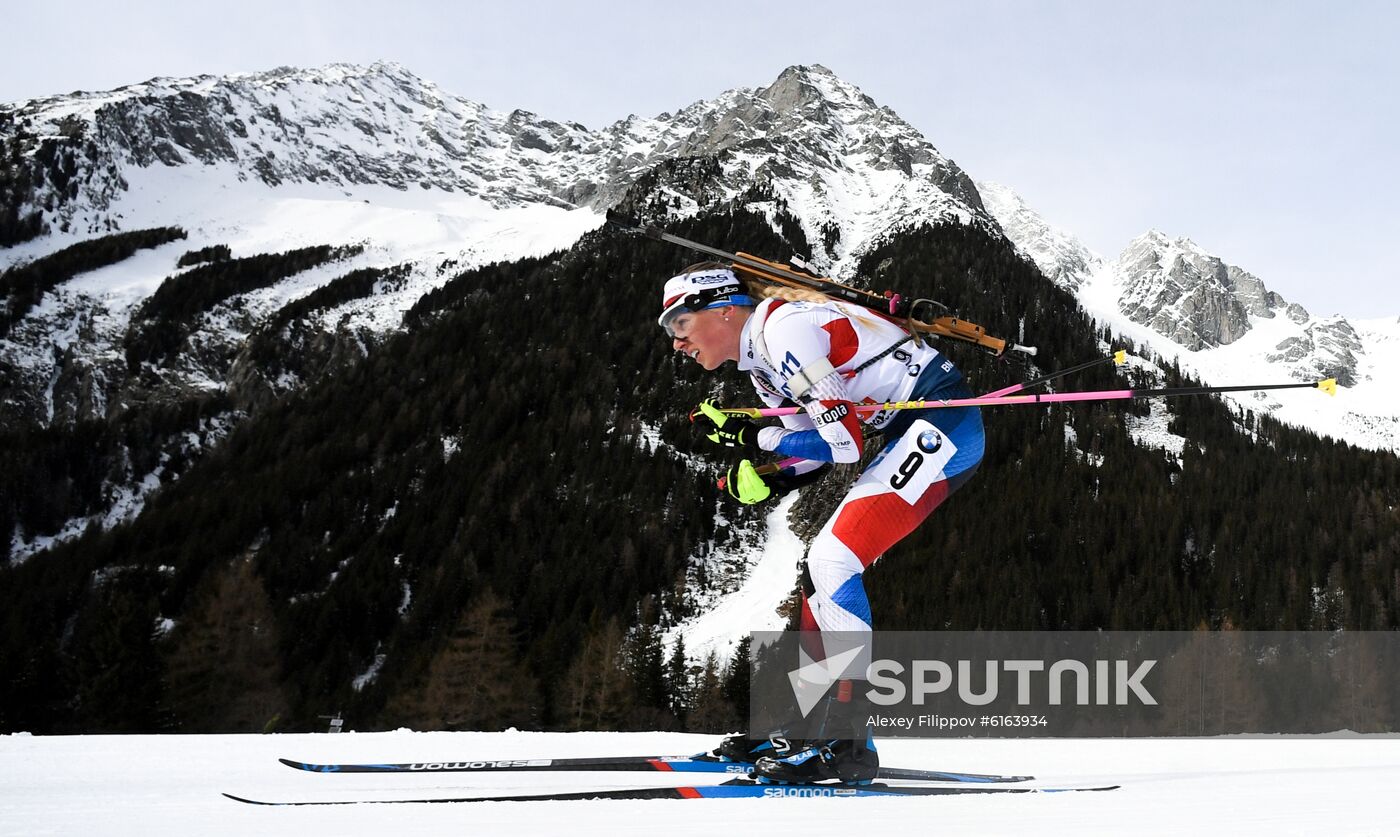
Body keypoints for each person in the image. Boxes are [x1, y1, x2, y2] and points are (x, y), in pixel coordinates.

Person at [658, 261, 985, 784]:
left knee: (834, 559)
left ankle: (851, 740)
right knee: (818, 575)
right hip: (910, 428)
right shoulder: (762, 367)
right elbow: (818, 452)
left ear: (721, 309)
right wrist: (775, 476)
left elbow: (847, 443)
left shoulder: (784, 331)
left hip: (944, 427)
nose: (676, 342)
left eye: (679, 324)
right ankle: (804, 725)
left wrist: (752, 439)